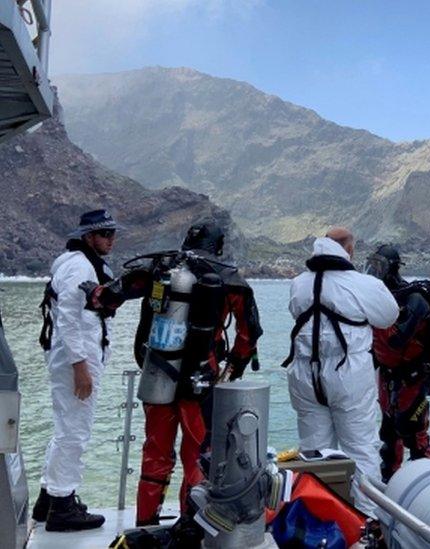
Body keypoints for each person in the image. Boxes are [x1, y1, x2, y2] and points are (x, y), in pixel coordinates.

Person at [132, 221, 263, 526]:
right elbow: (248, 336)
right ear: (218, 246)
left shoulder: (161, 270)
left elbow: (109, 295)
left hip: (158, 377)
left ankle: (145, 524)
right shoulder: (230, 279)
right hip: (201, 381)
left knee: (155, 454)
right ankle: (189, 527)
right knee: (198, 456)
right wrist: (230, 374)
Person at [282, 227, 398, 516]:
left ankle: (317, 517)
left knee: (313, 451)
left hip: (305, 375)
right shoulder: (363, 284)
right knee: (361, 449)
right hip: (349, 376)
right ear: (349, 250)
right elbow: (388, 316)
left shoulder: (298, 283)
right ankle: (367, 520)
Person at [32, 209, 121, 531]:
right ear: (88, 237)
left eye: (113, 233)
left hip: (72, 355)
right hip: (76, 357)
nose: (111, 239)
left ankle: (49, 498)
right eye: (104, 234)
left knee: (65, 427)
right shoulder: (81, 266)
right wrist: (80, 366)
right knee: (75, 432)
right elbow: (68, 318)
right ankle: (63, 506)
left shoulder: (71, 261)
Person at [366, 244, 430, 481]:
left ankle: (427, 487)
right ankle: (390, 488)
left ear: (392, 268)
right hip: (388, 376)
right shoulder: (379, 297)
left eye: (378, 266)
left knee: (415, 434)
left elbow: (397, 340)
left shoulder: (415, 298)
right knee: (388, 435)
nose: (373, 271)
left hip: (411, 376)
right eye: (371, 265)